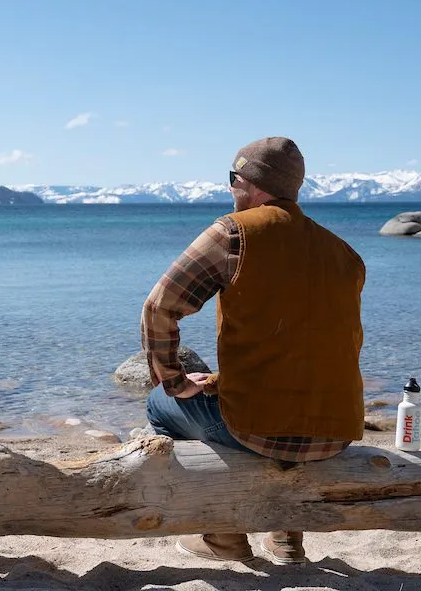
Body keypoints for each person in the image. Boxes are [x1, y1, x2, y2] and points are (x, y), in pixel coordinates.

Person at [141, 136, 365, 566]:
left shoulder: (234, 233)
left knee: (159, 405)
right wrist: (223, 383)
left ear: (251, 184)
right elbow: (313, 343)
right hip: (336, 433)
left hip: (260, 431)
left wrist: (172, 380)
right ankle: (285, 538)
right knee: (259, 405)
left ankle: (222, 535)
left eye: (232, 179)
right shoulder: (345, 254)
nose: (229, 189)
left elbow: (159, 307)